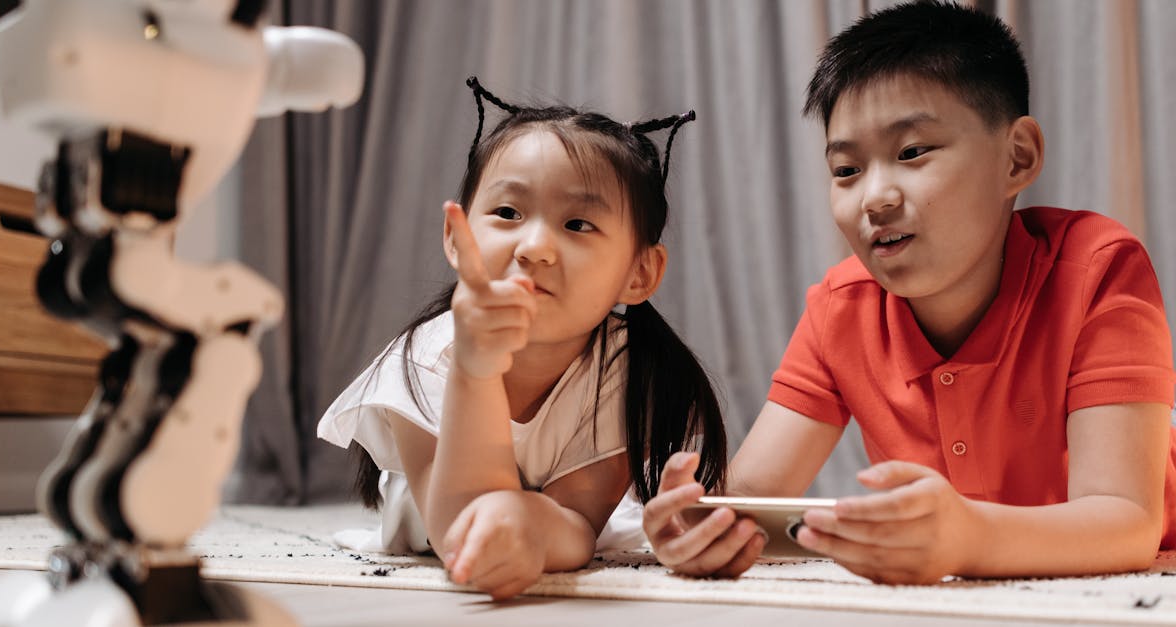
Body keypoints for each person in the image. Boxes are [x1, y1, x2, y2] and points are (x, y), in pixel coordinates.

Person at [644, 0, 1176, 585]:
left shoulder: (1097, 269)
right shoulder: (839, 307)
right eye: (846, 170)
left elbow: (1126, 522)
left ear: (1017, 158)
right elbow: (753, 500)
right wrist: (706, 528)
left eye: (912, 152)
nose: (874, 198)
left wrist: (968, 539)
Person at [317, 77, 728, 600]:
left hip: (552, 522)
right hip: (435, 518)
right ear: (455, 236)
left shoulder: (629, 369)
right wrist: (475, 367)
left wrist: (532, 524)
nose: (534, 247)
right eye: (508, 213)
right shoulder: (423, 358)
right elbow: (456, 534)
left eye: (577, 223)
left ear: (640, 272)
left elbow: (577, 521)